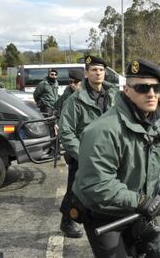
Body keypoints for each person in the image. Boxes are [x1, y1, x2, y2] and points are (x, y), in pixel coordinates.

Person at [72, 58, 160, 258]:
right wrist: (139, 201)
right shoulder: (103, 131)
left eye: (156, 88)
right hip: (105, 213)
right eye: (143, 88)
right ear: (127, 90)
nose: (152, 94)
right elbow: (97, 184)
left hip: (140, 207)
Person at [58, 55, 119, 238]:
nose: (98, 73)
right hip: (82, 155)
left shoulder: (114, 94)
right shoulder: (75, 100)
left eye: (101, 70)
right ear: (86, 73)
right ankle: (67, 221)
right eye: (94, 70)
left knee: (108, 186)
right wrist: (82, 154)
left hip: (109, 152)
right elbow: (66, 132)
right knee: (75, 191)